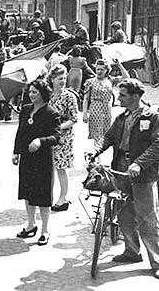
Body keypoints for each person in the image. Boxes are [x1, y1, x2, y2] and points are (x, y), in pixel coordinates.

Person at [91, 79, 159, 279]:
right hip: (120, 169)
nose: (118, 98)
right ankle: (132, 251)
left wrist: (139, 163)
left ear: (136, 96)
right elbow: (108, 137)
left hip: (142, 174)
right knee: (124, 213)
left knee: (146, 217)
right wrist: (94, 150)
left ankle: (156, 260)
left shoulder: (152, 117)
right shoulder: (122, 118)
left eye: (123, 95)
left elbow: (157, 145)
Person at [13, 79, 61, 246]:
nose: (32, 95)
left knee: (42, 194)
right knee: (27, 192)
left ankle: (45, 230)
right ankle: (31, 224)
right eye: (30, 92)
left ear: (43, 93)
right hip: (27, 157)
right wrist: (16, 152)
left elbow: (56, 136)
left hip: (42, 159)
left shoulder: (51, 112)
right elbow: (20, 132)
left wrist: (40, 141)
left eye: (35, 92)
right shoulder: (26, 110)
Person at [46, 65, 78, 211]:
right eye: (59, 78)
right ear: (52, 79)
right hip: (48, 136)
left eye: (64, 78)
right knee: (48, 167)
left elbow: (74, 118)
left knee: (61, 168)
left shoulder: (69, 96)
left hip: (63, 137)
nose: (63, 81)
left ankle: (63, 198)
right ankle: (48, 197)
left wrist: (59, 127)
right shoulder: (48, 95)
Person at [83, 59, 130, 150]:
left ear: (106, 70)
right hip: (95, 109)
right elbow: (86, 99)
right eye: (98, 69)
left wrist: (119, 65)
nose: (99, 71)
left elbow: (126, 78)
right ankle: (96, 158)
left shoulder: (110, 80)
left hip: (107, 109)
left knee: (106, 133)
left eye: (102, 69)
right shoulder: (90, 81)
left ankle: (99, 155)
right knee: (97, 133)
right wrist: (85, 113)